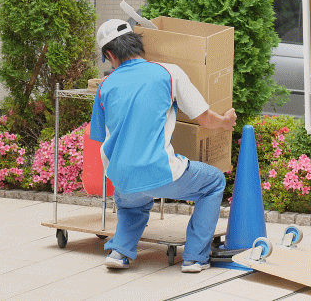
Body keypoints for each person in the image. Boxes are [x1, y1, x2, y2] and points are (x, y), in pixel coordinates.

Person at [90, 19, 237, 273]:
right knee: (213, 183)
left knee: (132, 203)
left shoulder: (104, 86)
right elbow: (203, 117)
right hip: (161, 171)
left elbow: (98, 137)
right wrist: (225, 122)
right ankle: (194, 257)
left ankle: (120, 252)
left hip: (121, 178)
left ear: (110, 54)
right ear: (137, 43)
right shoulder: (169, 72)